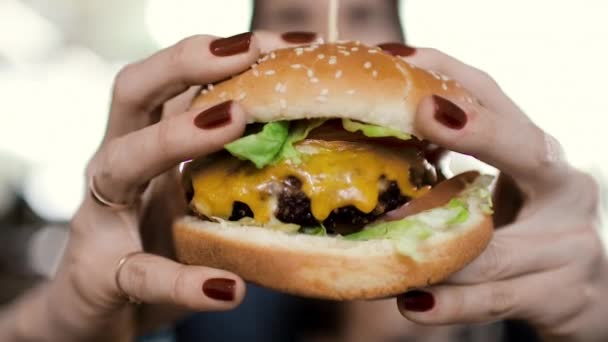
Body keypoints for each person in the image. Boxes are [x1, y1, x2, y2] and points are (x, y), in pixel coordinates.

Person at [1, 2, 606, 342]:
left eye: (363, 12)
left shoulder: (515, 292)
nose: (320, 40)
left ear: (403, 43)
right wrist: (56, 323)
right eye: (292, 15)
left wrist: (592, 322)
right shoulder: (193, 307)